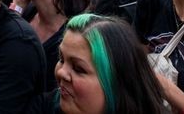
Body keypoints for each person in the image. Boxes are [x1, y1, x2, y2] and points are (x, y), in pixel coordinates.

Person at [30, 13, 168, 114]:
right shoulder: (47, 105)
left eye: (78, 69)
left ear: (116, 83)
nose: (61, 72)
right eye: (61, 59)